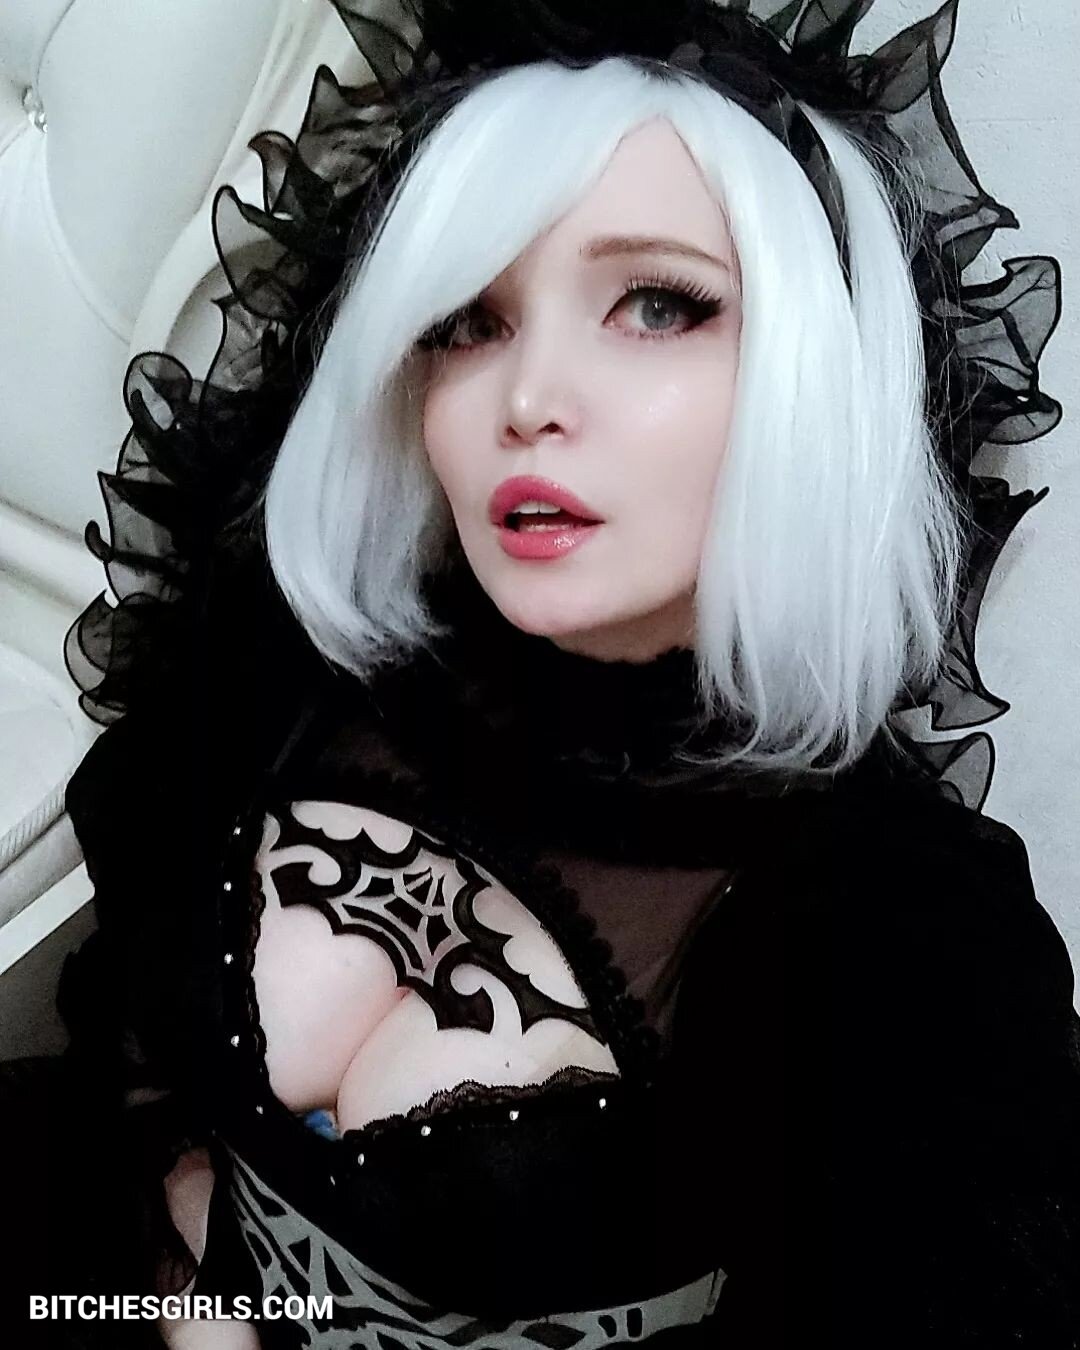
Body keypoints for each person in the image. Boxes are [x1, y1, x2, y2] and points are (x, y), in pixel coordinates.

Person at [36, 2, 1080, 1347]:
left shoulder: (892, 931)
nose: (527, 396)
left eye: (657, 305)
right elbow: (126, 1085)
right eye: (468, 320)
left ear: (814, 378)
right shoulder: (288, 671)